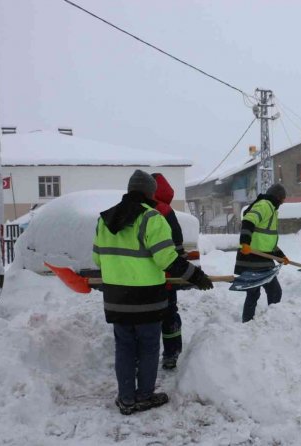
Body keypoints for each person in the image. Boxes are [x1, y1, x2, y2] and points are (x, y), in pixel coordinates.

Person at [93, 169, 213, 415]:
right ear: (150, 192)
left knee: (124, 348)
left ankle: (126, 399)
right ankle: (145, 396)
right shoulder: (151, 218)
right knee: (148, 348)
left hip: (116, 299)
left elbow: (97, 259)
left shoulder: (104, 220)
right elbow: (167, 260)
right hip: (146, 299)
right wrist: (196, 276)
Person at [236, 183, 289, 323]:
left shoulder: (271, 209)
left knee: (259, 293)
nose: (282, 203)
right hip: (252, 257)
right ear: (277, 197)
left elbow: (266, 240)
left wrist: (281, 256)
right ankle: (267, 322)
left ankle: (253, 322)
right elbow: (248, 221)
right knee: (271, 292)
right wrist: (245, 242)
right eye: (282, 200)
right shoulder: (265, 205)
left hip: (260, 257)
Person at [151, 173, 184, 370]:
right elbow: (177, 245)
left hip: (138, 279)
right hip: (166, 276)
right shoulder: (165, 210)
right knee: (169, 313)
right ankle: (171, 353)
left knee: (143, 319)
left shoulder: (135, 209)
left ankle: (141, 357)